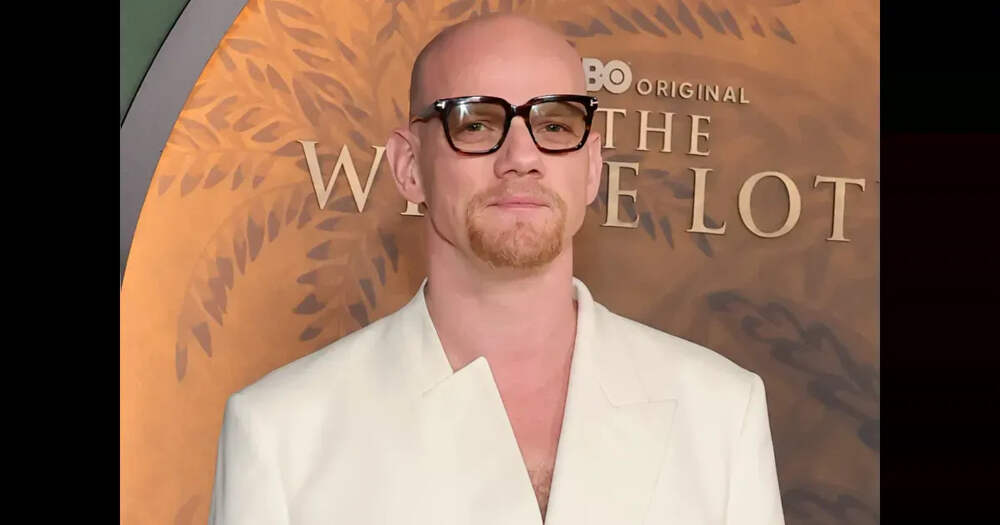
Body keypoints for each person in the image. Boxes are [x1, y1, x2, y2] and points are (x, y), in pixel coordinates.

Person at [208, 14, 784, 525]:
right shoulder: (282, 434)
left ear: (592, 167)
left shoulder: (721, 412)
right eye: (476, 124)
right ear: (409, 166)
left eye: (554, 125)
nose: (522, 158)